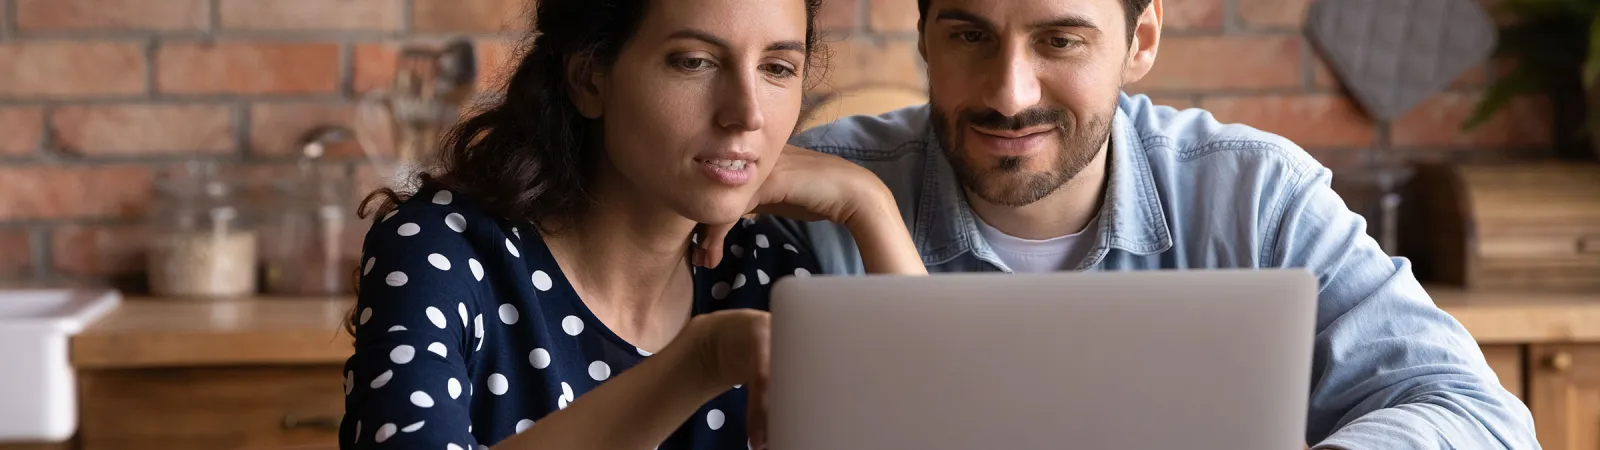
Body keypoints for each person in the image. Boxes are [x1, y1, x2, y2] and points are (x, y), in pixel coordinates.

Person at [701, 0, 1540, 448]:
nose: (1010, 91)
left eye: (1060, 41)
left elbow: (1480, 416)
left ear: (1140, 39)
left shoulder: (1253, 195)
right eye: (969, 36)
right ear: (924, 33)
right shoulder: (814, 197)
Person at [337, 0, 927, 448]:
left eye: (777, 68)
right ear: (589, 78)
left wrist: (868, 205)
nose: (747, 113)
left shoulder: (770, 272)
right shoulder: (442, 252)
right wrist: (703, 361)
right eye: (694, 61)